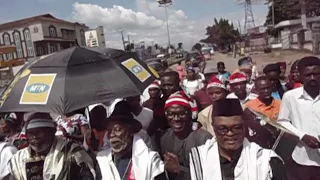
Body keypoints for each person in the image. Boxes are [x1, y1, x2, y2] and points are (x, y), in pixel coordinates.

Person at [190, 99, 287, 180]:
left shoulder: (264, 161)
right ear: (214, 128)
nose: (230, 133)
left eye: (236, 127)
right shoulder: (200, 159)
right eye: (223, 129)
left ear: (244, 127)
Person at [9, 112, 96, 180]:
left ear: (52, 132)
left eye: (39, 133)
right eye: (30, 134)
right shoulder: (18, 159)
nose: (34, 138)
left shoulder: (73, 154)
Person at [96, 105, 166, 180]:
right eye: (109, 131)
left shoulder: (150, 160)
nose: (112, 135)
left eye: (117, 130)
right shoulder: (103, 161)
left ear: (130, 131)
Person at [278, 56, 320, 180]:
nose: (312, 78)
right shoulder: (290, 97)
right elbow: (283, 122)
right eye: (308, 75)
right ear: (300, 76)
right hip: (302, 159)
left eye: (317, 74)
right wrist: (302, 136)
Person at [159, 92, 212, 180]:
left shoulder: (203, 138)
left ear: (190, 115)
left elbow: (210, 173)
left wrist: (179, 169)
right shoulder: (164, 137)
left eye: (181, 114)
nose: (176, 119)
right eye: (171, 114)